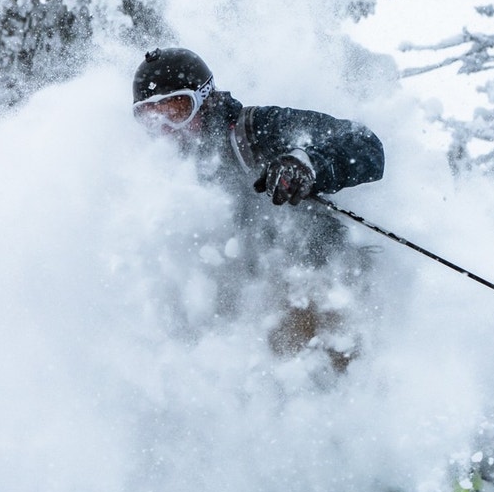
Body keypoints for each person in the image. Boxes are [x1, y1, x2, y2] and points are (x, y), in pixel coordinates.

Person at [131, 46, 386, 367]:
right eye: (152, 118)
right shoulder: (159, 179)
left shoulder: (256, 130)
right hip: (248, 298)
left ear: (206, 99)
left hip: (318, 276)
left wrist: (307, 165)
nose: (167, 129)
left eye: (178, 110)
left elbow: (365, 144)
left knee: (288, 351)